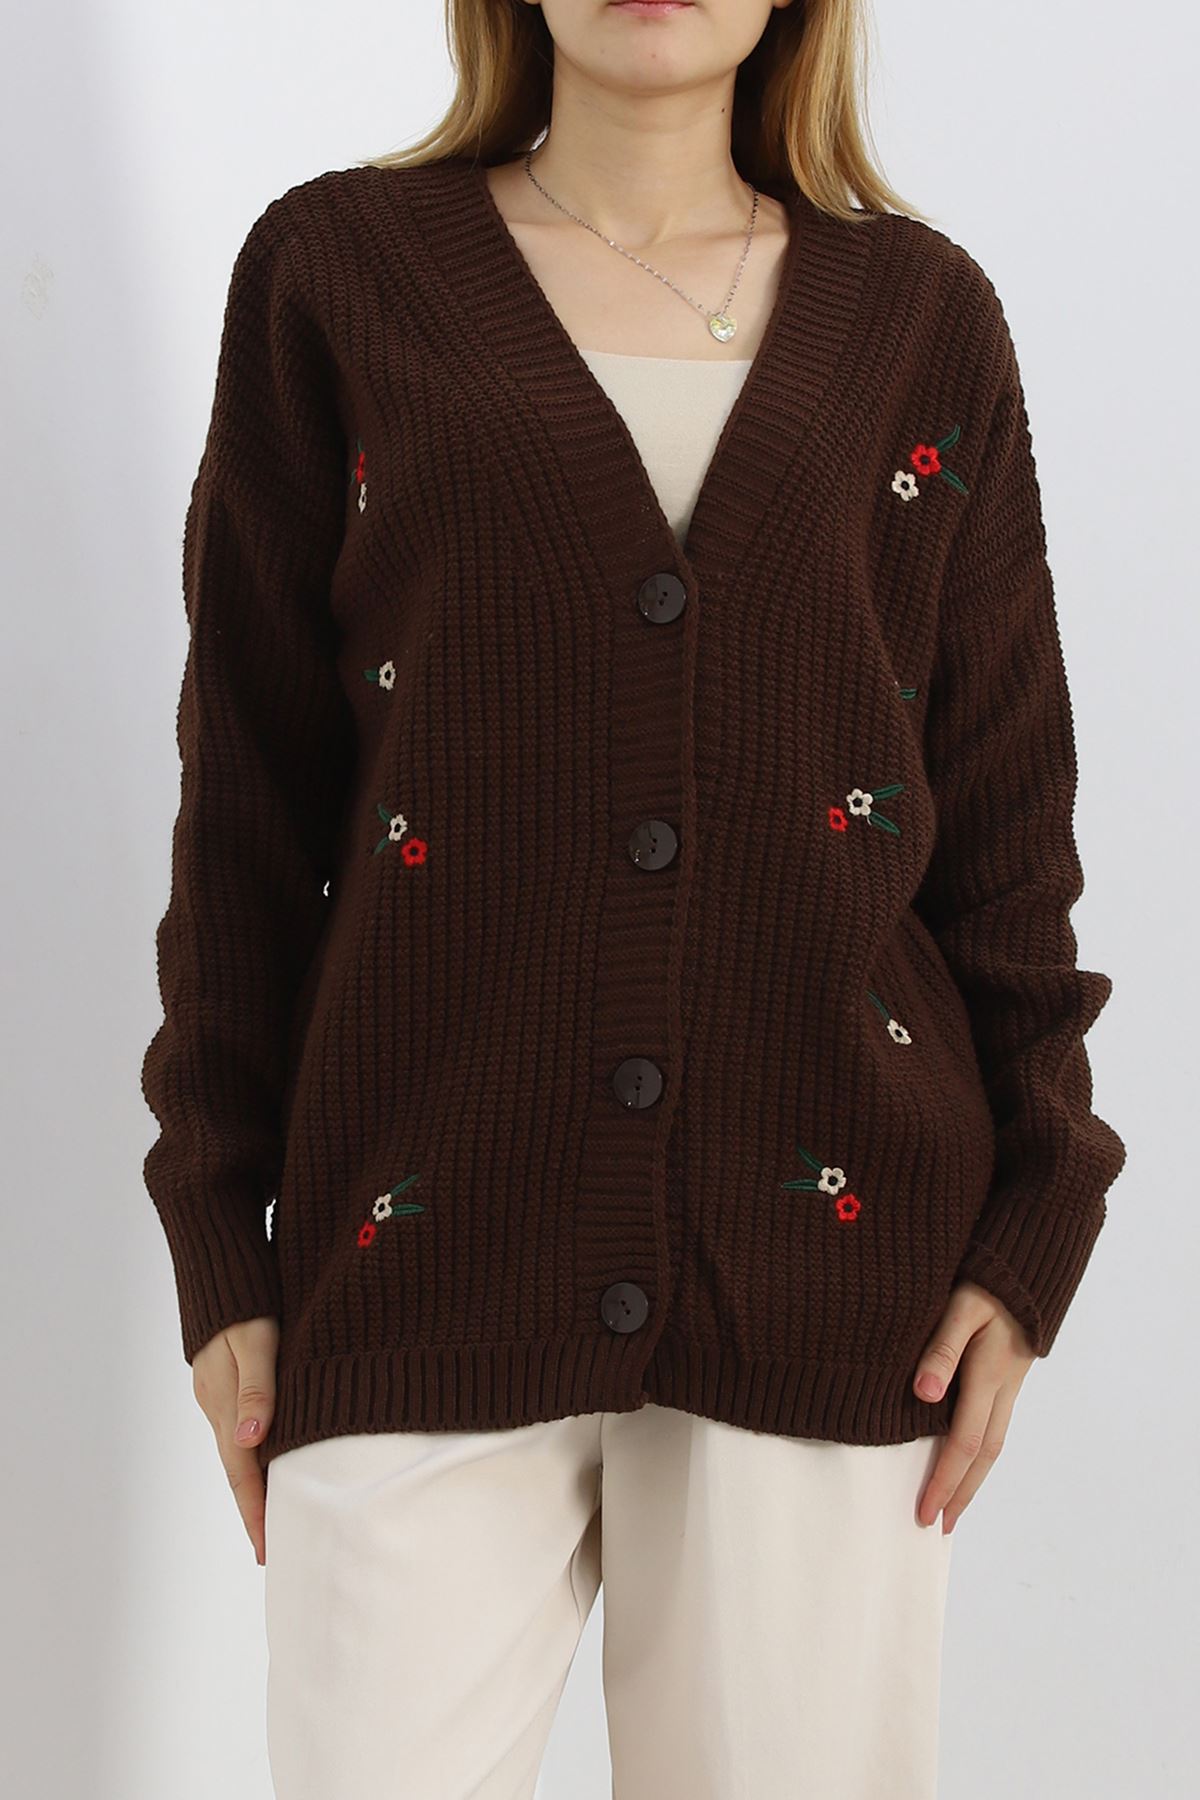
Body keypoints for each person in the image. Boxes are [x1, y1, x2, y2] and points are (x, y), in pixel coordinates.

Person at [139, 1, 1127, 1795]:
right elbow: (249, 806)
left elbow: (1002, 816)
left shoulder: (921, 317)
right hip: (414, 1241)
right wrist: (218, 1233)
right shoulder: (337, 275)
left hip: (835, 1266)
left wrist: (1042, 1209)